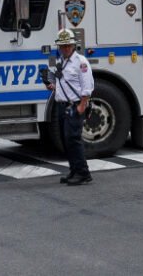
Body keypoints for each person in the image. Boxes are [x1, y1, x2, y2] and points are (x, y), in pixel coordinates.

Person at [44, 28, 93, 186]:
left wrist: (82, 105)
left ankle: (83, 173)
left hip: (74, 105)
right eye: (62, 46)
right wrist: (51, 85)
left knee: (73, 139)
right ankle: (74, 170)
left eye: (68, 45)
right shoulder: (60, 62)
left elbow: (87, 85)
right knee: (66, 140)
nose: (65, 48)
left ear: (73, 45)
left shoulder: (81, 62)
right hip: (61, 105)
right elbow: (62, 83)